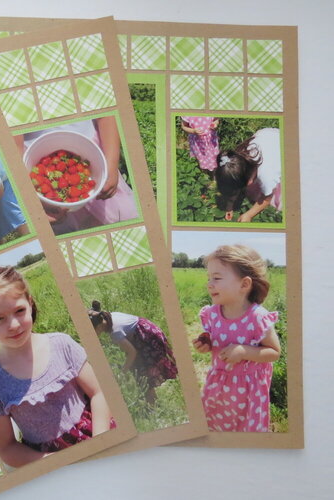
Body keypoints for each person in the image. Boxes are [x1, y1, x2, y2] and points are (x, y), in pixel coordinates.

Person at [0, 266, 113, 467]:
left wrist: (100, 441)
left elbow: (98, 392)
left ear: (29, 303)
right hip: (51, 462)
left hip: (99, 434)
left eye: (19, 311)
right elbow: (7, 448)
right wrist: (57, 462)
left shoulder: (62, 345)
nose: (14, 325)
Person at [191, 245, 281, 432]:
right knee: (213, 427)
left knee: (245, 432)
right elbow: (214, 337)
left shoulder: (257, 317)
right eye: (209, 278)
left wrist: (244, 351)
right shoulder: (213, 313)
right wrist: (206, 341)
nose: (209, 283)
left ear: (244, 284)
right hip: (218, 385)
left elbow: (274, 352)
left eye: (216, 278)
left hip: (248, 391)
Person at [16, 117, 138, 235]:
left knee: (125, 216)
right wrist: (31, 197)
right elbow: (13, 143)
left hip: (91, 148)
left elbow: (106, 115)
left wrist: (111, 164)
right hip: (33, 157)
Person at [88, 301, 178, 404]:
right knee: (140, 372)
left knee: (144, 376)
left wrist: (123, 372)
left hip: (147, 340)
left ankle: (153, 405)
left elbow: (132, 353)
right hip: (148, 331)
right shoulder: (109, 316)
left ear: (98, 326)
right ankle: (152, 402)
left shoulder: (115, 332)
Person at [215, 128, 282, 222]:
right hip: (267, 135)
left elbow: (267, 197)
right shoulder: (237, 159)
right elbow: (234, 185)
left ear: (249, 182)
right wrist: (229, 206)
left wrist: (249, 214)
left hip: (283, 146)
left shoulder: (267, 175)